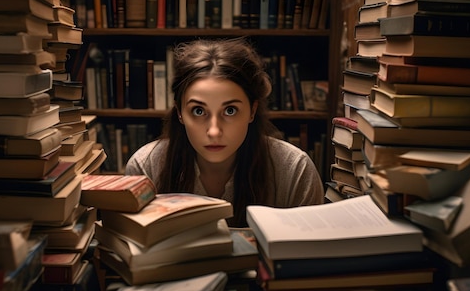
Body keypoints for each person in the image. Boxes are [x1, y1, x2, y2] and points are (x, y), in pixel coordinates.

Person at [126, 38, 324, 226]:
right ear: (180, 113)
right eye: (198, 111)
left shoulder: (294, 170)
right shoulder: (146, 168)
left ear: (252, 111)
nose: (214, 131)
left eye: (230, 111)